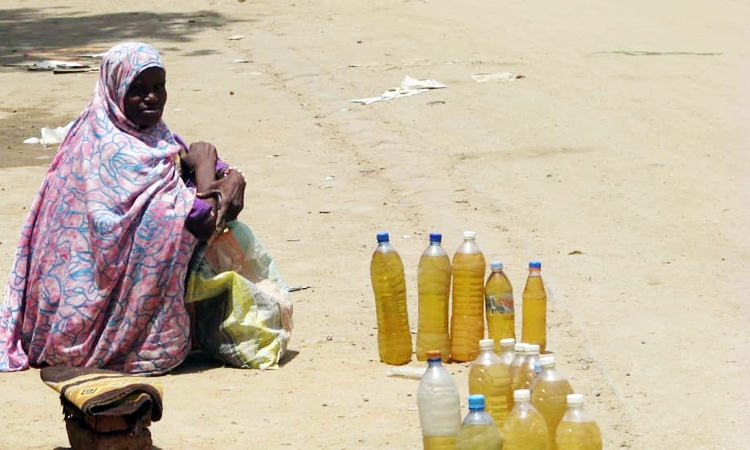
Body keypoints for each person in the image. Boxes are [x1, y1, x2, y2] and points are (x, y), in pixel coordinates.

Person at [0, 42, 292, 375]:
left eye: (158, 87)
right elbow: (197, 219)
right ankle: (152, 336)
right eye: (137, 90)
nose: (151, 98)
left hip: (76, 310)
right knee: (189, 235)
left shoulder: (147, 133)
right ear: (115, 91)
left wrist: (225, 175)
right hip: (82, 324)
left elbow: (197, 168)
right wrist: (209, 173)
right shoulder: (111, 148)